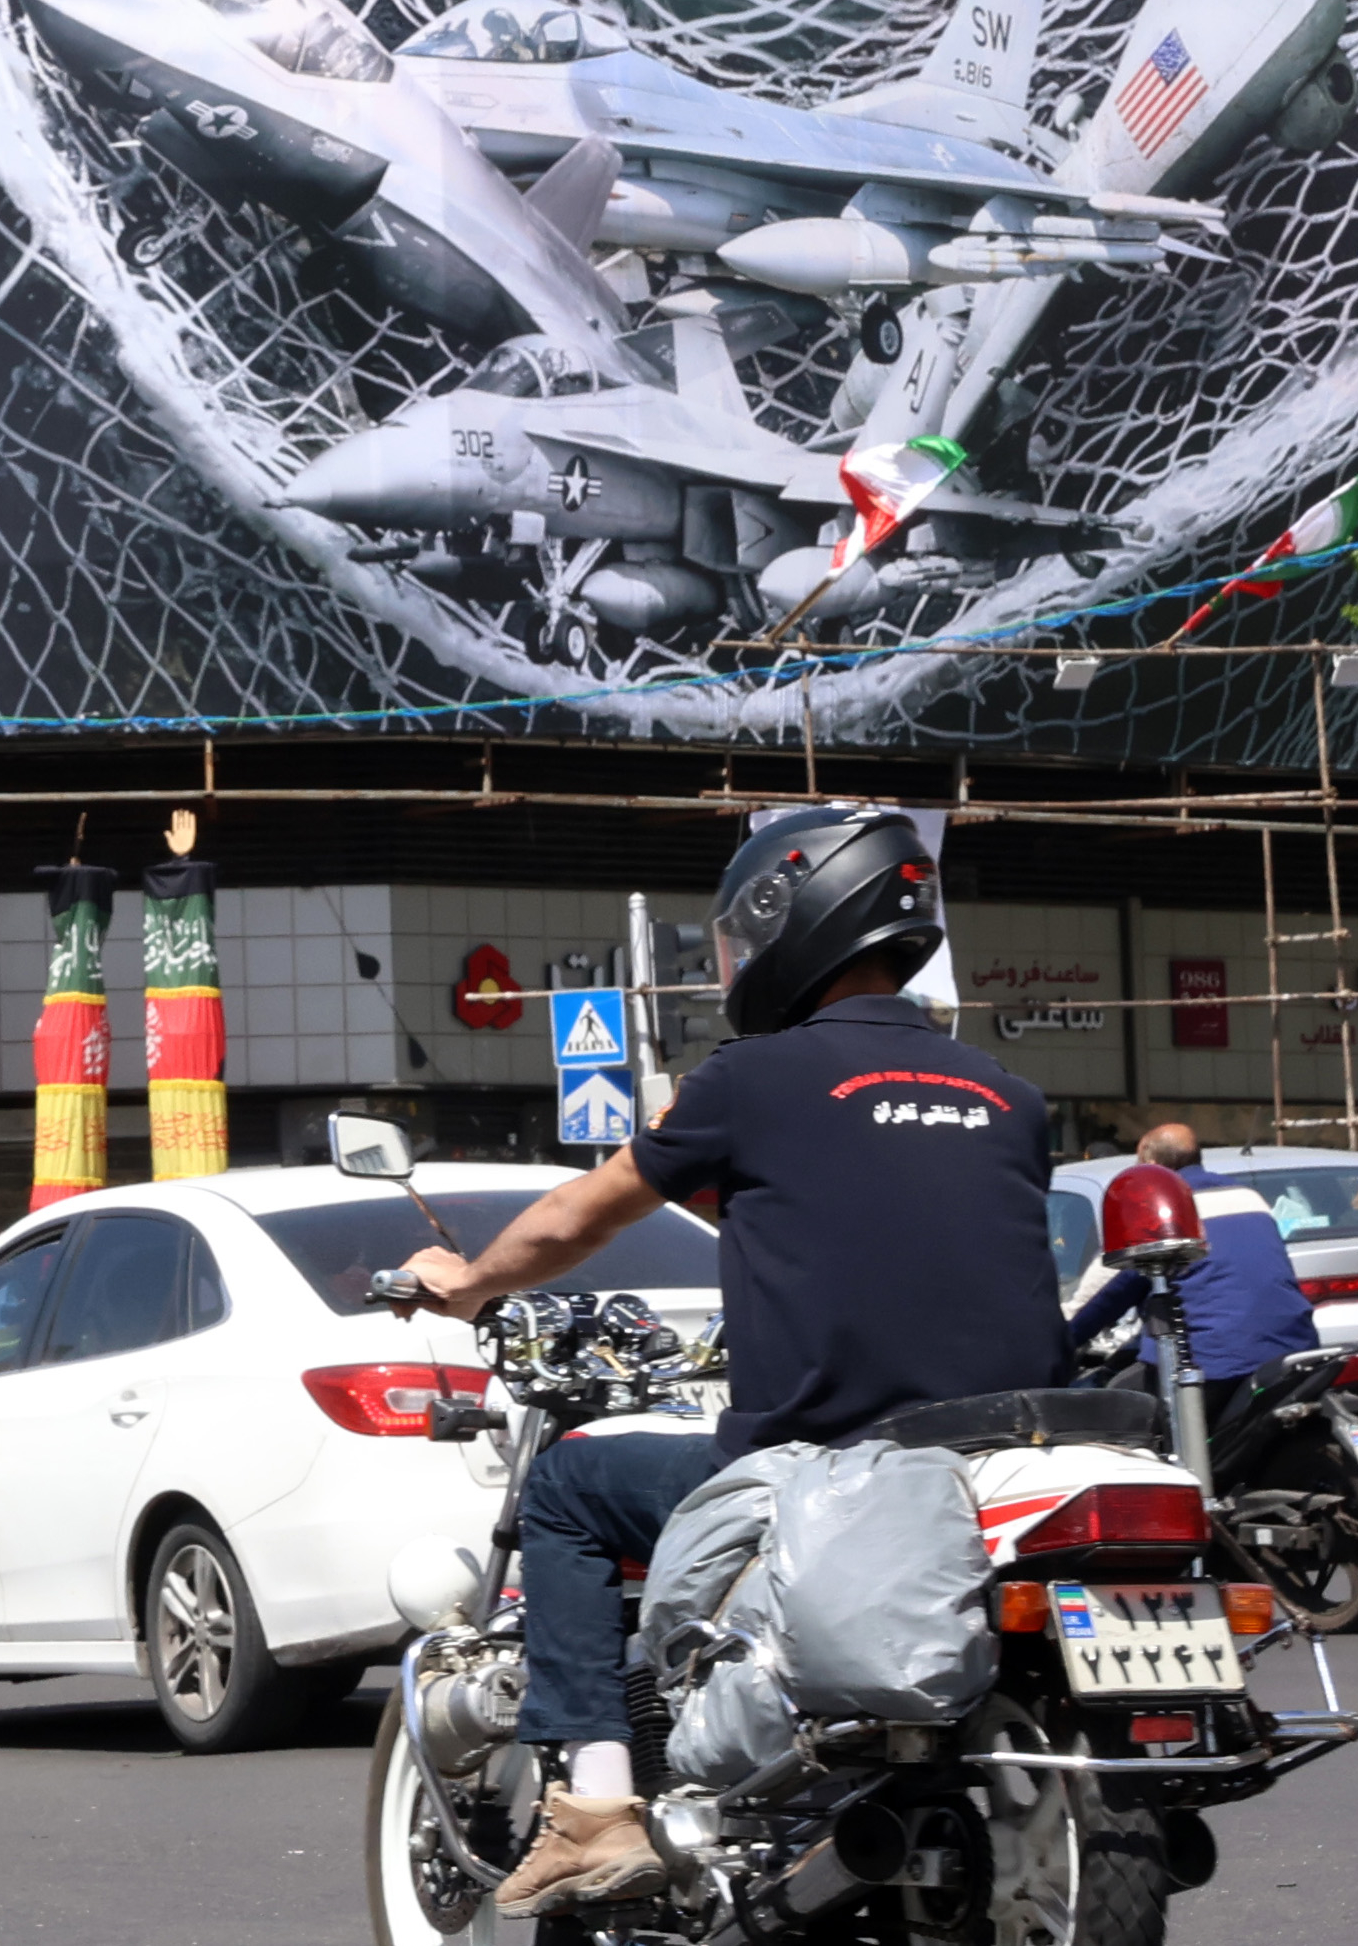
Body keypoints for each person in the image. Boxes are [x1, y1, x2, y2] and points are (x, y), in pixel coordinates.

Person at [390, 807, 1053, 1920]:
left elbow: (577, 1217)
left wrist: (469, 1282)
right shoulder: (1006, 1093)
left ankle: (595, 1810)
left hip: (830, 1465)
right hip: (1002, 1458)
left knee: (564, 1491)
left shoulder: (754, 1081)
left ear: (786, 922)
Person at [1058, 1123, 1325, 1478]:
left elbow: (1106, 1299)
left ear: (1150, 1165)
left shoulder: (1158, 1212)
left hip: (1210, 1363)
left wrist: (1062, 1343)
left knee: (1120, 1410)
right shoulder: (1248, 1197)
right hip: (1291, 1349)